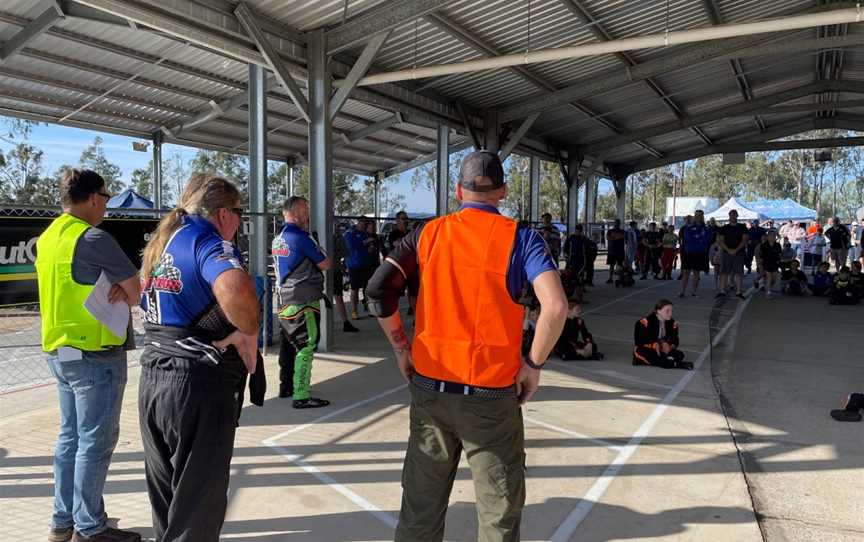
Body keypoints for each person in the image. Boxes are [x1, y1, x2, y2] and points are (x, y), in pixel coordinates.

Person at [367, 150, 568, 541]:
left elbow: (379, 289)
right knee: (498, 512)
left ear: (458, 190)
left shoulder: (427, 234)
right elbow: (556, 307)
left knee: (420, 510)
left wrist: (400, 348)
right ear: (504, 192)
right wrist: (533, 363)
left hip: (430, 388)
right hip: (489, 395)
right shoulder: (522, 238)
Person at [138, 175, 261, 541]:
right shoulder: (208, 240)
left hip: (155, 375)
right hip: (196, 382)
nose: (238, 221)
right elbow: (234, 286)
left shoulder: (163, 242)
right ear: (223, 214)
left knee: (170, 501)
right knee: (198, 507)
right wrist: (249, 328)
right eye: (239, 212)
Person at [35, 169, 142, 542]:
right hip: (96, 354)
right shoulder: (94, 237)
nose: (107, 206)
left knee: (70, 439)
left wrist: (116, 285)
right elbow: (135, 292)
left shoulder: (50, 237)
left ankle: (64, 521)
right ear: (94, 198)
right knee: (94, 443)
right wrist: (120, 286)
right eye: (106, 199)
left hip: (60, 350)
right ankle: (90, 528)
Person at [272, 196, 333, 408]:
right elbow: (325, 263)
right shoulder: (301, 237)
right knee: (307, 345)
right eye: (306, 209)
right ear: (296, 212)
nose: (308, 214)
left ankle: (286, 385)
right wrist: (318, 245)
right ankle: (301, 395)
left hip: (283, 298)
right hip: (303, 299)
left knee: (289, 344)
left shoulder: (279, 237)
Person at [632, 299, 693, 370]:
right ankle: (675, 363)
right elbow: (639, 341)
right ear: (658, 311)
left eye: (671, 311)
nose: (670, 314)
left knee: (680, 354)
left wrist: (670, 346)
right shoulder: (644, 323)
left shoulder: (671, 322)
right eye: (667, 311)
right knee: (645, 353)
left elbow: (675, 339)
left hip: (661, 350)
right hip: (646, 349)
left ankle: (667, 361)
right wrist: (656, 344)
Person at [331, 224, 359, 333]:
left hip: (334, 269)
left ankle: (345, 322)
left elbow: (345, 252)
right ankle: (345, 322)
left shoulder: (338, 237)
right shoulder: (337, 236)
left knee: (338, 296)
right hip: (325, 269)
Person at [717, 209, 749, 299]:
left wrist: (735, 250)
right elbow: (721, 240)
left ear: (737, 216)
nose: (732, 217)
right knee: (724, 272)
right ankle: (722, 291)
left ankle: (738, 291)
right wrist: (728, 250)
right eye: (731, 215)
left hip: (739, 252)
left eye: (734, 215)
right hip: (726, 252)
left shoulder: (742, 227)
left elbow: (744, 240)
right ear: (729, 216)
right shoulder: (724, 228)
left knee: (739, 272)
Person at [679, 210, 711, 297]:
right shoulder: (688, 227)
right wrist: (699, 237)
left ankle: (694, 291)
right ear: (694, 216)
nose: (698, 217)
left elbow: (707, 240)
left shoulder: (706, 228)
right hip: (688, 252)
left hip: (699, 253)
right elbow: (688, 238)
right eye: (696, 215)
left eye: (700, 215)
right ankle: (682, 291)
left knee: (696, 272)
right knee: (686, 272)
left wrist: (697, 237)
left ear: (702, 217)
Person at [343, 218, 371, 319]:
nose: (365, 226)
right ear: (359, 223)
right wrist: (364, 243)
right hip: (354, 265)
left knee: (367, 287)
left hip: (366, 264)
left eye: (366, 224)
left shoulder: (365, 234)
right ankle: (354, 311)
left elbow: (370, 246)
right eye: (364, 223)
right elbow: (351, 246)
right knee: (355, 289)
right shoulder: (350, 233)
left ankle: (368, 307)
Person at [760, 230, 783, 299]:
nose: (772, 237)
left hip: (775, 264)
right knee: (769, 278)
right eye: (771, 236)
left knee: (774, 280)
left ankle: (767, 287)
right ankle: (768, 293)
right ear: (768, 237)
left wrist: (780, 263)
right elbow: (761, 256)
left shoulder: (778, 245)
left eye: (774, 236)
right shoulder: (764, 245)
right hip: (766, 263)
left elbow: (780, 255)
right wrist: (760, 266)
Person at [605, 218, 627, 283]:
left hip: (620, 251)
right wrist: (616, 237)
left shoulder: (622, 231)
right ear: (614, 223)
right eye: (616, 222)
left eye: (618, 223)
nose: (617, 224)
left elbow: (622, 236)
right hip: (611, 251)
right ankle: (610, 278)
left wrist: (614, 237)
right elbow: (607, 238)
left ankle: (620, 278)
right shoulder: (610, 231)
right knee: (611, 265)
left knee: (620, 265)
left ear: (619, 224)